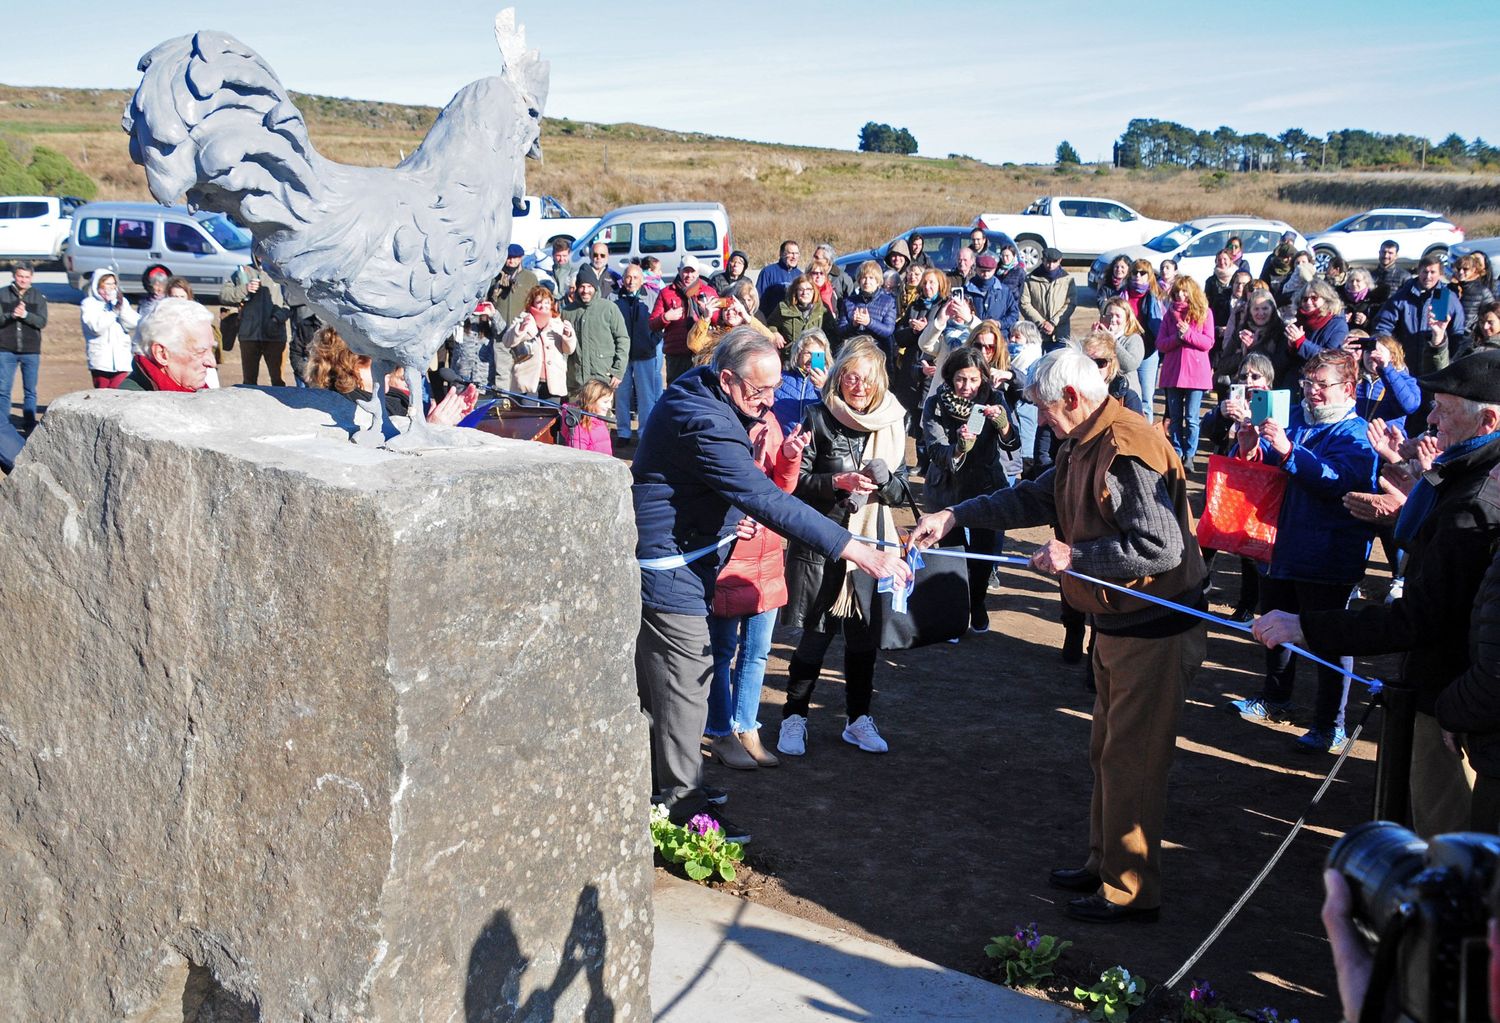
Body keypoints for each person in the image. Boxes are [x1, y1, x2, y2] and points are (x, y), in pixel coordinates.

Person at [911, 347, 1208, 924]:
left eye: (1045, 411)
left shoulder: (1124, 448)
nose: (1041, 422)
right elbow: (1033, 495)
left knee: (1133, 760)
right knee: (1109, 753)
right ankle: (1104, 864)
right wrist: (954, 516)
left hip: (1155, 630)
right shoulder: (1086, 438)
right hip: (1117, 626)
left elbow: (1160, 547)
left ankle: (1129, 887)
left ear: (1072, 398)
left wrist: (1077, 555)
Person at [632, 328, 911, 839]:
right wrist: (848, 545)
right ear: (726, 379)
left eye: (774, 390)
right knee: (684, 681)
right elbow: (765, 497)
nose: (768, 404)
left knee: (669, 686)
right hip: (669, 567)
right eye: (758, 392)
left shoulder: (707, 393)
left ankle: (664, 782)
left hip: (691, 554)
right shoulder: (704, 419)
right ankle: (680, 801)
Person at [1254, 350, 1500, 835]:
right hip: (1453, 688)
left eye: (1443, 408)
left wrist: (1306, 626)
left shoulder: (1475, 500)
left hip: (1447, 692)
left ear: (1488, 418)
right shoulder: (1466, 474)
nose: (1429, 418)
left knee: (1442, 835)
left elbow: (1421, 617)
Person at [1223, 349, 1377, 753]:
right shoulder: (1300, 423)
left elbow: (1337, 482)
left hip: (1330, 554)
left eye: (1320, 385)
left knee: (1330, 641)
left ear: (1349, 388)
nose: (1311, 393)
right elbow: (1271, 468)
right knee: (1275, 626)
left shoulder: (1356, 436)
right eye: (1307, 384)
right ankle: (1274, 700)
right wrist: (1249, 444)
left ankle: (1331, 725)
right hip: (1283, 547)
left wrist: (1290, 450)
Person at [780, 338, 910, 758]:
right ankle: (793, 716)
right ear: (839, 375)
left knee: (862, 640)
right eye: (851, 376)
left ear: (879, 382)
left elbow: (901, 490)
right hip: (823, 543)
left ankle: (858, 720)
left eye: (867, 379)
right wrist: (839, 482)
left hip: (873, 543)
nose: (858, 385)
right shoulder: (817, 417)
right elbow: (793, 483)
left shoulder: (892, 421)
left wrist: (886, 479)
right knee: (815, 639)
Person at [704, 393, 807, 771]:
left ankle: (747, 727)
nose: (767, 396)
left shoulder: (771, 421)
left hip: (768, 553)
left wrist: (790, 455)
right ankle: (719, 731)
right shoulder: (718, 423)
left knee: (758, 650)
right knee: (720, 652)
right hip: (732, 556)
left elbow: (782, 490)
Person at [921, 346, 1018, 632]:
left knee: (982, 555)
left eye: (974, 380)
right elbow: (935, 451)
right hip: (946, 486)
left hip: (985, 485)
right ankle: (954, 614)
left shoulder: (994, 399)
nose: (967, 387)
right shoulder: (935, 404)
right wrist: (959, 448)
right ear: (950, 378)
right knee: (952, 555)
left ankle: (977, 603)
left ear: (983, 378)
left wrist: (1003, 425)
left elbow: (1013, 445)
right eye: (961, 379)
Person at [305, 325, 473, 426]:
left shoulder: (395, 397)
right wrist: (433, 427)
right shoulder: (343, 408)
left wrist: (452, 418)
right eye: (379, 360)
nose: (390, 368)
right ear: (350, 365)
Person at [1374, 252, 1464, 385]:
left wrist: (1450, 360)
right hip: (1406, 366)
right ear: (1418, 272)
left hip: (1436, 367)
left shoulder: (1447, 298)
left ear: (1440, 274)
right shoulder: (1402, 296)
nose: (1428, 276)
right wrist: (1389, 350)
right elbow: (1382, 326)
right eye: (1424, 272)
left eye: (1433, 272)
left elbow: (1458, 333)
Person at [1156, 276, 1216, 470]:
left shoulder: (1204, 313)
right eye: (1176, 292)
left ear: (1192, 292)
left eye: (1184, 292)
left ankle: (1189, 454)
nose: (1180, 296)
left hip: (1196, 374)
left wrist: (1188, 334)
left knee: (1191, 417)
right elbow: (1161, 344)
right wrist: (1177, 338)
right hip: (1173, 372)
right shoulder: (1169, 315)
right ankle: (1176, 451)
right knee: (1174, 417)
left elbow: (1208, 342)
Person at [117, 298, 217, 393]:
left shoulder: (196, 390)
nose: (212, 363)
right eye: (200, 352)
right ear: (161, 354)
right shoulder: (131, 401)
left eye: (211, 349)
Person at [219, 254, 290, 386]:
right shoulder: (244, 272)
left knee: (278, 381)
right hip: (248, 335)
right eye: (258, 250)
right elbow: (224, 296)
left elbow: (291, 302)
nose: (262, 255)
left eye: (265, 250)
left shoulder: (281, 274)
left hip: (275, 336)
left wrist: (276, 319)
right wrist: (245, 289)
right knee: (249, 382)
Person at [613, 263, 662, 446]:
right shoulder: (613, 298)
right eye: (628, 277)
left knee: (646, 395)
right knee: (622, 395)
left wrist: (651, 342)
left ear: (642, 280)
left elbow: (660, 324)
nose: (631, 281)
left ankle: (644, 433)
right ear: (623, 279)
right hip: (622, 356)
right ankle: (623, 432)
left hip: (645, 354)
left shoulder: (651, 297)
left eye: (635, 277)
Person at [562, 264, 629, 395]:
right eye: (582, 286)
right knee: (576, 415)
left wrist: (618, 371)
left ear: (595, 287)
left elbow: (623, 340)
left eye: (589, 286)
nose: (585, 290)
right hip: (576, 381)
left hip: (603, 378)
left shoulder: (609, 308)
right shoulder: (567, 312)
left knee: (600, 415)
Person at [652, 256, 719, 383]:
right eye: (685, 271)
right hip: (676, 355)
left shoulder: (708, 292)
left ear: (698, 272)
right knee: (676, 394)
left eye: (692, 272)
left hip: (701, 354)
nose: (689, 275)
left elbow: (719, 321)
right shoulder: (666, 293)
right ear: (679, 271)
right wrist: (666, 317)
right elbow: (652, 324)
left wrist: (708, 313)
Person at [502, 285, 576, 401]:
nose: (543, 306)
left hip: (553, 381)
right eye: (539, 302)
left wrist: (568, 336)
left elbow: (569, 350)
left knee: (550, 416)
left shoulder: (558, 323)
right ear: (532, 303)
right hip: (527, 380)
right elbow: (507, 341)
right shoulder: (523, 319)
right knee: (528, 416)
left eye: (547, 302)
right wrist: (521, 329)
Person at [0, 262, 46, 433]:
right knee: (3, 389)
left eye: (27, 277)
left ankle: (29, 424)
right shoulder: (2, 294)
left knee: (30, 390)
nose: (23, 280)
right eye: (20, 276)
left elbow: (42, 322)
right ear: (14, 276)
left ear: (31, 277)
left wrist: (26, 315)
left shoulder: (38, 296)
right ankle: (3, 425)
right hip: (6, 349)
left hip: (30, 350)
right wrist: (11, 315)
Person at [488, 243, 541, 386]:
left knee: (522, 374)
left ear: (521, 258)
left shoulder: (530, 278)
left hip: (522, 334)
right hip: (500, 333)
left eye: (515, 258)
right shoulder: (495, 277)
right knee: (502, 374)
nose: (511, 261)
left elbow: (536, 302)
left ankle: (520, 405)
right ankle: (503, 404)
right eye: (508, 258)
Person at [80, 269, 139, 389]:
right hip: (100, 360)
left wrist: (121, 309)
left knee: (119, 394)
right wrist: (113, 312)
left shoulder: (121, 302)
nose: (111, 287)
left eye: (113, 284)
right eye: (107, 284)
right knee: (103, 396)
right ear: (98, 285)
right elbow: (96, 327)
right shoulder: (89, 304)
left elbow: (133, 323)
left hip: (122, 359)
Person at [1354, 334, 1421, 432]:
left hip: (1388, 440)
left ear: (1392, 356)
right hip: (1354, 439)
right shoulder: (1354, 378)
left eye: (1378, 351)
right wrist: (1342, 353)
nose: (1372, 355)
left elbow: (1410, 406)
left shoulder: (1404, 379)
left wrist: (1386, 369)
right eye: (1368, 351)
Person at [1125, 259, 1166, 419]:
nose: (1138, 276)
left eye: (1143, 273)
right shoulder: (1122, 295)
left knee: (1146, 401)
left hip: (1148, 353)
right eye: (1135, 272)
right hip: (1126, 351)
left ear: (1149, 276)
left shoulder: (1156, 298)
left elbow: (1160, 326)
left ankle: (1146, 440)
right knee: (1126, 398)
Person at [838, 261, 898, 366]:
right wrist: (853, 325)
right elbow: (841, 330)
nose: (867, 282)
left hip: (879, 354)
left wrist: (869, 322)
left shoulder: (888, 301)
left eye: (871, 278)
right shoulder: (849, 302)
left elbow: (888, 330)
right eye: (864, 278)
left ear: (878, 281)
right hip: (854, 353)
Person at [769, 274, 837, 366]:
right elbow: (770, 324)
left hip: (817, 357)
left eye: (809, 289)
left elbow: (833, 334)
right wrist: (774, 333)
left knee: (816, 378)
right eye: (801, 289)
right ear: (795, 291)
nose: (805, 293)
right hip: (790, 357)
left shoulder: (822, 309)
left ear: (814, 291)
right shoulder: (784, 307)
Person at [772, 329, 830, 433]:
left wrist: (824, 388)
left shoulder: (831, 382)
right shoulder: (780, 379)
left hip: (815, 445)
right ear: (798, 354)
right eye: (808, 353)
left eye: (817, 355)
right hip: (783, 443)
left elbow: (837, 413)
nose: (811, 360)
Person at [1285, 279, 1351, 364]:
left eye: (1314, 298)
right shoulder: (1298, 322)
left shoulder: (1338, 325)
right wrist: (1291, 348)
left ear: (1326, 300)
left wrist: (1302, 342)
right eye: (1305, 299)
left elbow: (1331, 358)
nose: (1308, 302)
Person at [1021, 248, 1076, 345]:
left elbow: (1070, 304)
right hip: (1036, 334)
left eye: (1054, 262)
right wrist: (1042, 323)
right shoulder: (1030, 279)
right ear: (1042, 260)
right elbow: (1024, 303)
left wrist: (1053, 323)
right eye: (1048, 262)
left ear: (1060, 261)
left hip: (1059, 334)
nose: (1051, 265)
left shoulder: (1068, 280)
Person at [1097, 298, 1144, 401]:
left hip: (1127, 395)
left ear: (1127, 319)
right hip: (1103, 394)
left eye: (1118, 316)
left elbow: (1130, 365)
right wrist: (1092, 338)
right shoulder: (1098, 338)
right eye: (1110, 315)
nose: (1113, 319)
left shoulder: (1134, 339)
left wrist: (1113, 342)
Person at [965, 254, 1020, 330]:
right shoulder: (967, 290)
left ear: (995, 269)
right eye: (982, 271)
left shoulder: (1004, 291)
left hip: (999, 336)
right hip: (973, 334)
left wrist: (999, 323)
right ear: (976, 269)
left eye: (989, 271)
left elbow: (1014, 315)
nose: (986, 274)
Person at [1453, 252, 1495, 351]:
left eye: (1465, 269)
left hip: (1469, 341)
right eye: (1459, 269)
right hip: (1450, 338)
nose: (1461, 272)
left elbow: (1492, 316)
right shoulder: (1450, 289)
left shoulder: (1482, 291)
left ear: (1474, 270)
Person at [560, 379, 614, 454]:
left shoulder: (599, 420)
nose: (609, 406)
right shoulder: (580, 428)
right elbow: (578, 458)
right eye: (605, 402)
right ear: (591, 401)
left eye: (610, 401)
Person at [1203, 249, 1237, 346]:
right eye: (1219, 259)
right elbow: (1207, 302)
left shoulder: (1237, 277)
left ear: (1230, 260)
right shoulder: (1211, 281)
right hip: (1217, 319)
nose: (1222, 262)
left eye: (1225, 259)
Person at [755, 240, 801, 311]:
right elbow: (759, 299)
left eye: (797, 253)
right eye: (791, 253)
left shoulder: (800, 275)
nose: (794, 257)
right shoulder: (768, 272)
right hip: (771, 319)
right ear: (781, 254)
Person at [1341, 267, 1381, 332]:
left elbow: (1380, 325)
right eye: (1351, 281)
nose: (1354, 283)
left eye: (1358, 281)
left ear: (1366, 282)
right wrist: (1342, 319)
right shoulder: (1340, 298)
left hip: (1366, 338)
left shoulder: (1375, 300)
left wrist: (1366, 321)